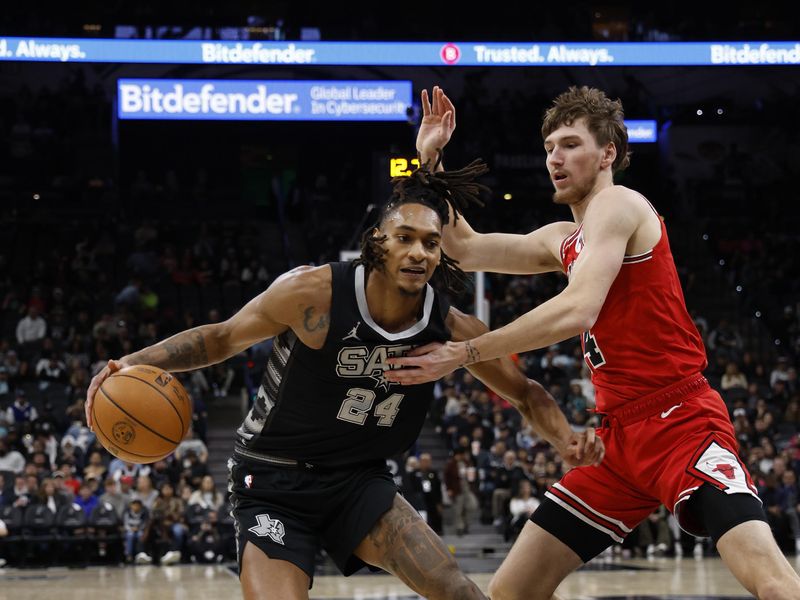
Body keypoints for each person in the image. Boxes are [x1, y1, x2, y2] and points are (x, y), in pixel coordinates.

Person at [86, 151, 603, 599]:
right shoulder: (312, 294)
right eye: (405, 237)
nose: (419, 251)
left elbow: (524, 392)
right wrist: (133, 363)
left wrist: (565, 439)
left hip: (358, 481)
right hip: (271, 480)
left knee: (456, 590)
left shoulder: (448, 327)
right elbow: (221, 338)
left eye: (430, 241)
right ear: (376, 241)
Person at [386, 85, 800, 599]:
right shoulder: (564, 237)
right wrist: (429, 157)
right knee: (511, 591)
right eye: (548, 148)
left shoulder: (621, 203)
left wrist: (467, 351)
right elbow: (463, 248)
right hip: (615, 442)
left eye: (569, 144)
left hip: (680, 423)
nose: (554, 158)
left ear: (608, 153)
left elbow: (579, 306)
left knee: (773, 581)